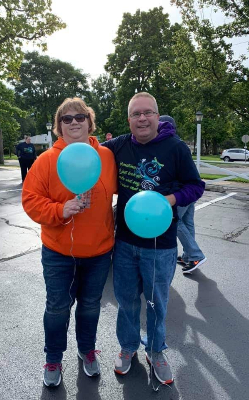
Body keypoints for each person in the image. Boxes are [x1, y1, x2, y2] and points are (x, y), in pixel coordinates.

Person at [102, 93, 205, 385]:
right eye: (136, 114)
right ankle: (128, 347)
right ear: (129, 120)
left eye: (148, 113)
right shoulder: (119, 145)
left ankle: (157, 351)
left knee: (157, 303)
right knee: (126, 301)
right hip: (124, 243)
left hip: (161, 246)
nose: (143, 118)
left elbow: (196, 186)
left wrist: (170, 200)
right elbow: (92, 150)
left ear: (158, 117)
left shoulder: (175, 148)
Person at [22, 97, 117, 387]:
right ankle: (53, 358)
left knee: (90, 305)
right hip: (59, 252)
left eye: (80, 117)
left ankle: (87, 351)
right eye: (67, 118)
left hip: (99, 251)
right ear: (58, 126)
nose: (74, 122)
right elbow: (30, 200)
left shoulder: (107, 157)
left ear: (90, 121)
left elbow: (120, 193)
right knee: (57, 307)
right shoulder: (47, 160)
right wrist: (61, 210)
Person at [159, 115, 207, 274]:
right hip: (190, 190)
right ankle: (188, 256)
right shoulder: (179, 142)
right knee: (187, 223)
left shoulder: (168, 144)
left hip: (180, 192)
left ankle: (195, 254)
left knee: (176, 222)